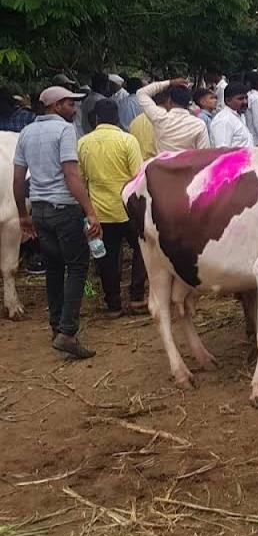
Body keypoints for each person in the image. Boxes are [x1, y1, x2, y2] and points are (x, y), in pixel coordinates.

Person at [13, 85, 100, 359]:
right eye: (69, 104)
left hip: (39, 210)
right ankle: (67, 332)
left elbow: (18, 179)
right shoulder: (64, 130)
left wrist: (23, 215)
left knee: (53, 268)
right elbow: (71, 175)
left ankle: (56, 327)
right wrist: (90, 211)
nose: (74, 109)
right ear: (55, 106)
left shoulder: (26, 132)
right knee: (77, 267)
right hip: (64, 209)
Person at [77, 99, 146, 315]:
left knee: (106, 256)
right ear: (117, 117)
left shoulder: (83, 143)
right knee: (141, 249)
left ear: (96, 118)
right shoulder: (128, 140)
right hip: (128, 210)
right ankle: (136, 296)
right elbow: (138, 176)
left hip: (99, 212)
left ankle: (113, 303)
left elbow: (80, 179)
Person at [137, 78, 210, 152]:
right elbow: (204, 155)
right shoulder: (199, 125)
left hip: (163, 162)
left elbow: (141, 93)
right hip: (190, 163)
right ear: (188, 104)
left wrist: (170, 82)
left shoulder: (160, 118)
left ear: (169, 101)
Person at [210, 81, 252, 148]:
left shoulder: (239, 116)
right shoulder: (224, 120)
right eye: (240, 99)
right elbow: (222, 150)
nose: (245, 102)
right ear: (228, 101)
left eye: (246, 98)